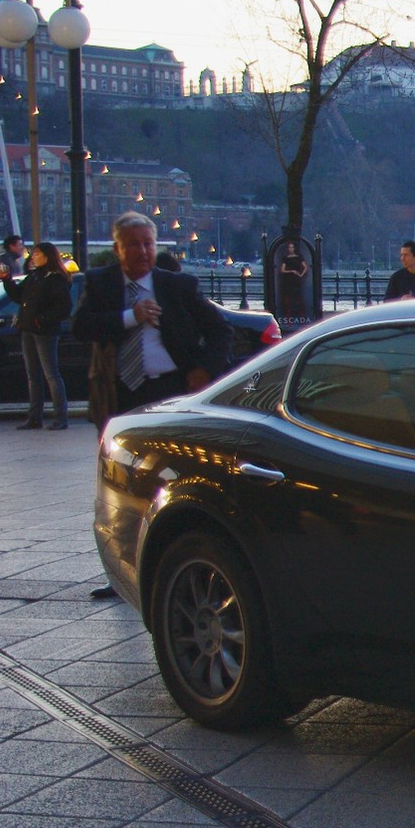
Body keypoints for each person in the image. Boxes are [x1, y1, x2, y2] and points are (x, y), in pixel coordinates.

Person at [75, 211, 233, 598]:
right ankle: (120, 570)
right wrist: (131, 316)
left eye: (148, 243)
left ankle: (170, 562)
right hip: (120, 393)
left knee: (167, 477)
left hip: (168, 392)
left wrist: (203, 371)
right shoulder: (100, 285)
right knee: (118, 482)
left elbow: (220, 330)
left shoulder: (176, 286)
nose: (142, 251)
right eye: (133, 244)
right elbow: (81, 327)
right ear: (118, 248)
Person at [5, 241, 73, 431]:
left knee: (51, 373)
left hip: (45, 330)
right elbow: (19, 296)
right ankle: (34, 417)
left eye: (37, 254)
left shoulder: (55, 278)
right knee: (33, 375)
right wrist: (7, 280)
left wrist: (42, 319)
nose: (33, 257)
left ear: (47, 256)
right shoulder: (34, 276)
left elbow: (63, 307)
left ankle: (61, 416)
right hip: (28, 329)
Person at [277, 241, 308, 318]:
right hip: (288, 279)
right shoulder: (286, 258)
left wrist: (301, 275)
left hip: (296, 279)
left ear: (294, 248)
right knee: (288, 298)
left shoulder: (299, 257)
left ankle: (301, 315)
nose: (291, 249)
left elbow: (305, 267)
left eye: (292, 247)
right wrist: (291, 271)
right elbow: (282, 270)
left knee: (298, 297)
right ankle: (288, 315)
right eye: (289, 247)